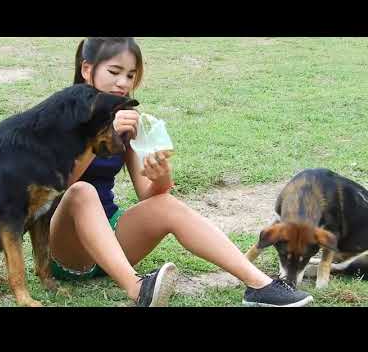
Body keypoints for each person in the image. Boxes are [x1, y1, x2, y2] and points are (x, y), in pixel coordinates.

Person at [42, 37, 314, 307]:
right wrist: (99, 136)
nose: (123, 83)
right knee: (82, 192)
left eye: (130, 75)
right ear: (87, 69)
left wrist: (160, 173)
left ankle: (259, 284)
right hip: (68, 250)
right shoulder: (59, 117)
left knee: (167, 204)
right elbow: (52, 188)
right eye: (114, 72)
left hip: (114, 244)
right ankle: (138, 289)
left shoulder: (124, 121)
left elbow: (150, 196)